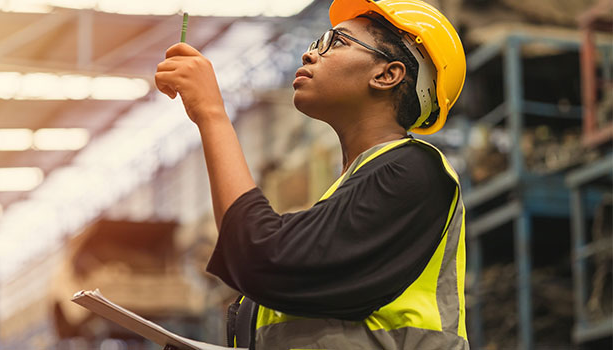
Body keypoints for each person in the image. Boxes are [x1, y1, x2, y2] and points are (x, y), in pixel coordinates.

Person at [155, 0, 468, 349]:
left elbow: (262, 256)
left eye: (336, 43)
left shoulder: (414, 171)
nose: (308, 55)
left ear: (386, 75)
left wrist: (211, 113)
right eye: (316, 43)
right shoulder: (349, 194)